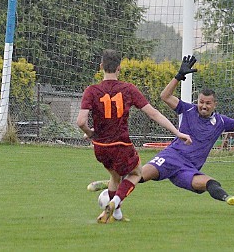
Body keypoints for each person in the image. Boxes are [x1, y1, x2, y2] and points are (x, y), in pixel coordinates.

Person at [87, 55, 234, 206]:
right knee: (138, 176)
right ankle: (112, 183)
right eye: (201, 101)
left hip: (188, 169)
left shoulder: (221, 121)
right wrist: (179, 76)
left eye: (208, 103)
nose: (203, 106)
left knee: (210, 183)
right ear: (197, 100)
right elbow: (165, 96)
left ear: (215, 105)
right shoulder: (188, 109)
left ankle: (229, 199)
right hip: (170, 157)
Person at [76, 49, 192, 224]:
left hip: (100, 147)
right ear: (119, 68)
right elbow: (153, 114)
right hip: (121, 145)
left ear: (101, 66)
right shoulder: (128, 89)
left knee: (115, 178)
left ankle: (116, 215)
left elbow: (80, 121)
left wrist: (90, 133)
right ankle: (114, 202)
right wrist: (177, 132)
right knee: (137, 173)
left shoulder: (91, 91)